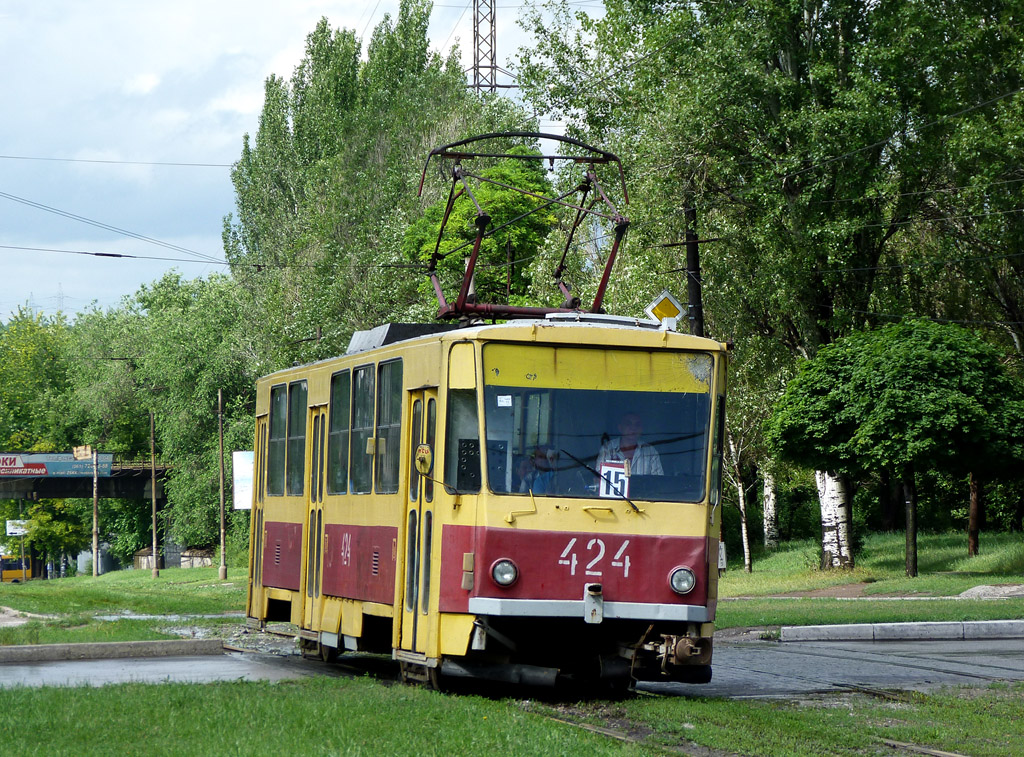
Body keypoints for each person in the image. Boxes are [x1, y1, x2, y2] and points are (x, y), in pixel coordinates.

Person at [596, 412, 663, 476]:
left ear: (641, 429)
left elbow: (658, 481)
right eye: (628, 424)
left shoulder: (651, 451)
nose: (633, 428)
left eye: (637, 425)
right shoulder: (607, 449)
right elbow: (599, 479)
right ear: (620, 428)